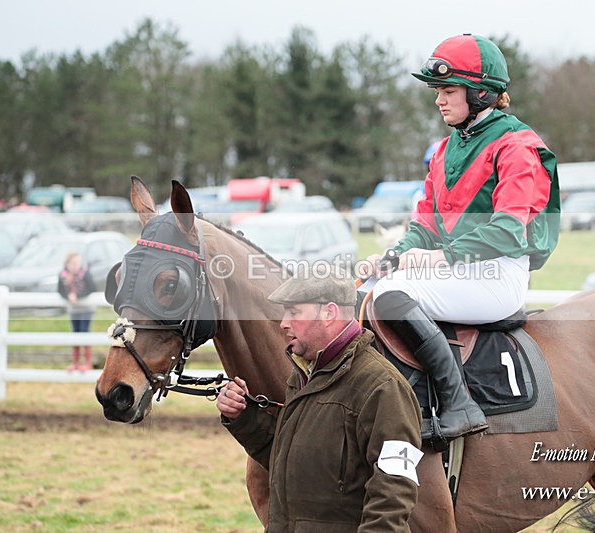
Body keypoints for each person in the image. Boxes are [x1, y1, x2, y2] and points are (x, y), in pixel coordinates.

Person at [365, 33, 561, 441]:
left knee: (391, 296)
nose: (439, 100)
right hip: (459, 273)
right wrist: (392, 255)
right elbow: (425, 226)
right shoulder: (443, 150)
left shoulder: (517, 146)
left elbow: (508, 231)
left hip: (498, 276)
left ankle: (459, 406)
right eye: (438, 91)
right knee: (376, 286)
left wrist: (438, 258)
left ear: (481, 94)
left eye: (448, 90)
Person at [217, 264, 423, 532]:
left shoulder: (383, 386)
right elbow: (285, 459)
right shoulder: (302, 376)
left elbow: (395, 489)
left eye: (294, 312)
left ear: (329, 312)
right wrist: (242, 416)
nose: (284, 323)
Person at [57, 251, 97, 372]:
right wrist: (68, 296)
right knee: (75, 333)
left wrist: (77, 295)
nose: (76, 266)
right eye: (73, 263)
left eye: (78, 263)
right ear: (67, 264)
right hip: (74, 310)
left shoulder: (85, 273)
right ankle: (75, 362)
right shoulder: (63, 275)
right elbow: (60, 291)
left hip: (86, 309)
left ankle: (87, 362)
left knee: (84, 332)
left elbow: (92, 288)